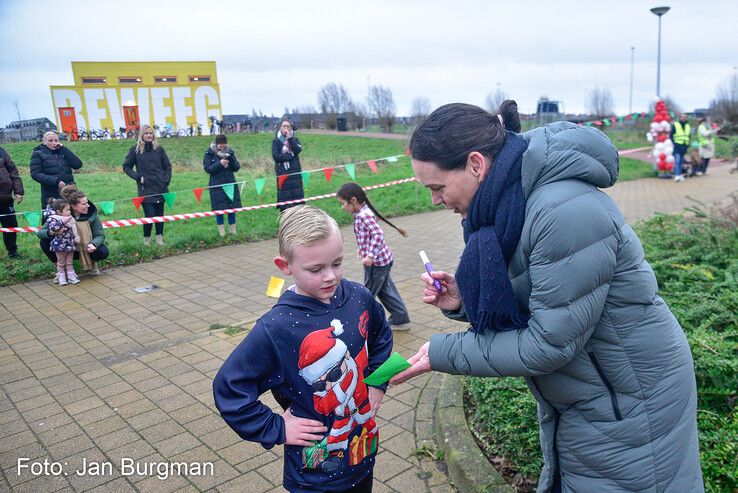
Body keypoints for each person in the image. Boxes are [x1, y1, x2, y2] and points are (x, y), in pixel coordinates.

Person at [391, 101, 703, 492]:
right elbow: (540, 300)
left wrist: (444, 353)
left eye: (437, 187)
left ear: (475, 164)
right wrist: (463, 302)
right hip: (591, 391)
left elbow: (548, 344)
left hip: (632, 399)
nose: (434, 201)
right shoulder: (507, 206)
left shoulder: (563, 212)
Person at [213, 205, 392, 493]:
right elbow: (229, 387)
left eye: (337, 263)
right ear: (285, 266)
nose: (330, 276)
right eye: (316, 269)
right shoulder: (276, 328)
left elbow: (382, 336)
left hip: (363, 456)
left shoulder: (359, 296)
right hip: (314, 478)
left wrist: (378, 383)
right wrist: (277, 428)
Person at [337, 182, 411, 329]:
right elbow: (368, 235)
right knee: (385, 291)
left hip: (377, 264)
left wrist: (370, 255)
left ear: (353, 200)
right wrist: (362, 250)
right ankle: (400, 318)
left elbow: (378, 234)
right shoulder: (361, 213)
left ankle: (359, 322)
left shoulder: (364, 215)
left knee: (368, 293)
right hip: (382, 261)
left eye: (343, 203)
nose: (342, 207)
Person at [37, 184, 109, 281]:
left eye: (87, 202)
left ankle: (92, 263)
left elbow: (100, 235)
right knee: (44, 242)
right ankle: (59, 269)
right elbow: (40, 233)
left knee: (102, 251)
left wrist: (93, 244)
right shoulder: (60, 214)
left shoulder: (91, 213)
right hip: (65, 246)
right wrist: (52, 232)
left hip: (85, 246)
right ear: (74, 206)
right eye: (84, 204)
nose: (88, 205)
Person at [123, 124, 172, 246]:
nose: (149, 135)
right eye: (146, 133)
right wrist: (139, 178)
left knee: (160, 216)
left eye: (151, 133)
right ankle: (147, 241)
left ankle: (159, 239)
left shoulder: (159, 149)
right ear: (142, 135)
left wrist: (166, 180)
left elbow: (167, 166)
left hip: (161, 188)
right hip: (146, 189)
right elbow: (126, 167)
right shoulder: (135, 150)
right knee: (149, 216)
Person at [30, 131, 83, 207]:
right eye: (50, 140)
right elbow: (35, 174)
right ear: (44, 142)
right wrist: (56, 181)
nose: (54, 143)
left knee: (70, 216)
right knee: (53, 216)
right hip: (50, 193)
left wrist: (64, 149)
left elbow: (78, 165)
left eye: (56, 140)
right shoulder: (38, 154)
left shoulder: (63, 151)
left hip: (69, 192)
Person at [203, 134, 241, 236]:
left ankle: (233, 232)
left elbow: (237, 167)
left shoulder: (230, 152)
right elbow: (208, 168)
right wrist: (220, 164)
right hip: (217, 186)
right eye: (220, 145)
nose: (222, 147)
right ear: (216, 144)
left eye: (224, 144)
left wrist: (231, 160)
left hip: (230, 184)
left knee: (231, 208)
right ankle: (222, 233)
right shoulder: (209, 153)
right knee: (219, 209)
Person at [43, 198, 80, 285]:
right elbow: (52, 228)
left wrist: (76, 236)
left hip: (69, 244)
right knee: (61, 262)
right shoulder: (54, 219)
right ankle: (61, 277)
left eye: (69, 209)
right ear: (59, 212)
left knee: (69, 261)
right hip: (59, 245)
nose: (69, 212)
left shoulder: (70, 218)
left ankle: (71, 276)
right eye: (67, 210)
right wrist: (61, 222)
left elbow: (73, 226)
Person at [272, 119, 305, 211]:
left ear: (291, 128)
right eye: (284, 126)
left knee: (297, 201)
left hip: (295, 173)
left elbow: (298, 150)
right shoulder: (276, 141)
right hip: (283, 174)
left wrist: (290, 139)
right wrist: (290, 156)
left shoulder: (295, 139)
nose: (286, 128)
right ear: (280, 128)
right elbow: (276, 156)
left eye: (288, 126)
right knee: (285, 201)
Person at [0, 147, 24, 259]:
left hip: (6, 199)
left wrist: (18, 191)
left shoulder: (2, 152)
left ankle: (12, 252)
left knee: (10, 226)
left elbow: (14, 174)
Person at [670, 113, 691, 182]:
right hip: (677, 145)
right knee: (677, 160)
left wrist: (688, 144)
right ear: (680, 118)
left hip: (684, 146)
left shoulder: (688, 125)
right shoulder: (675, 125)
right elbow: (671, 135)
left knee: (681, 161)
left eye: (685, 117)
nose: (684, 118)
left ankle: (679, 175)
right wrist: (673, 143)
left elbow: (689, 136)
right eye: (683, 117)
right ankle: (676, 175)